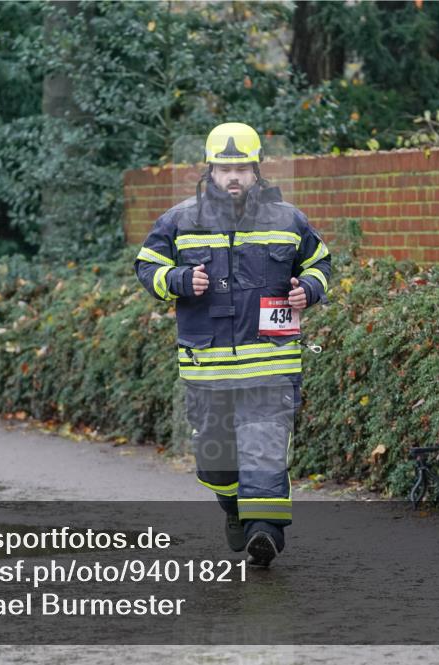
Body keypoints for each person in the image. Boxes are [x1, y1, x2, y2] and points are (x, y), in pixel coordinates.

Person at [134, 122, 331, 567]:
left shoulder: (287, 220)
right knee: (216, 464)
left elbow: (320, 262)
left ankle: (265, 535)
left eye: (242, 166)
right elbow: (147, 265)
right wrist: (179, 280)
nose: (234, 176)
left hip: (271, 365)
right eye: (225, 168)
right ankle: (234, 509)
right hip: (208, 369)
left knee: (264, 450)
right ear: (210, 171)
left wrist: (310, 289)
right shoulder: (180, 219)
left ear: (257, 169)